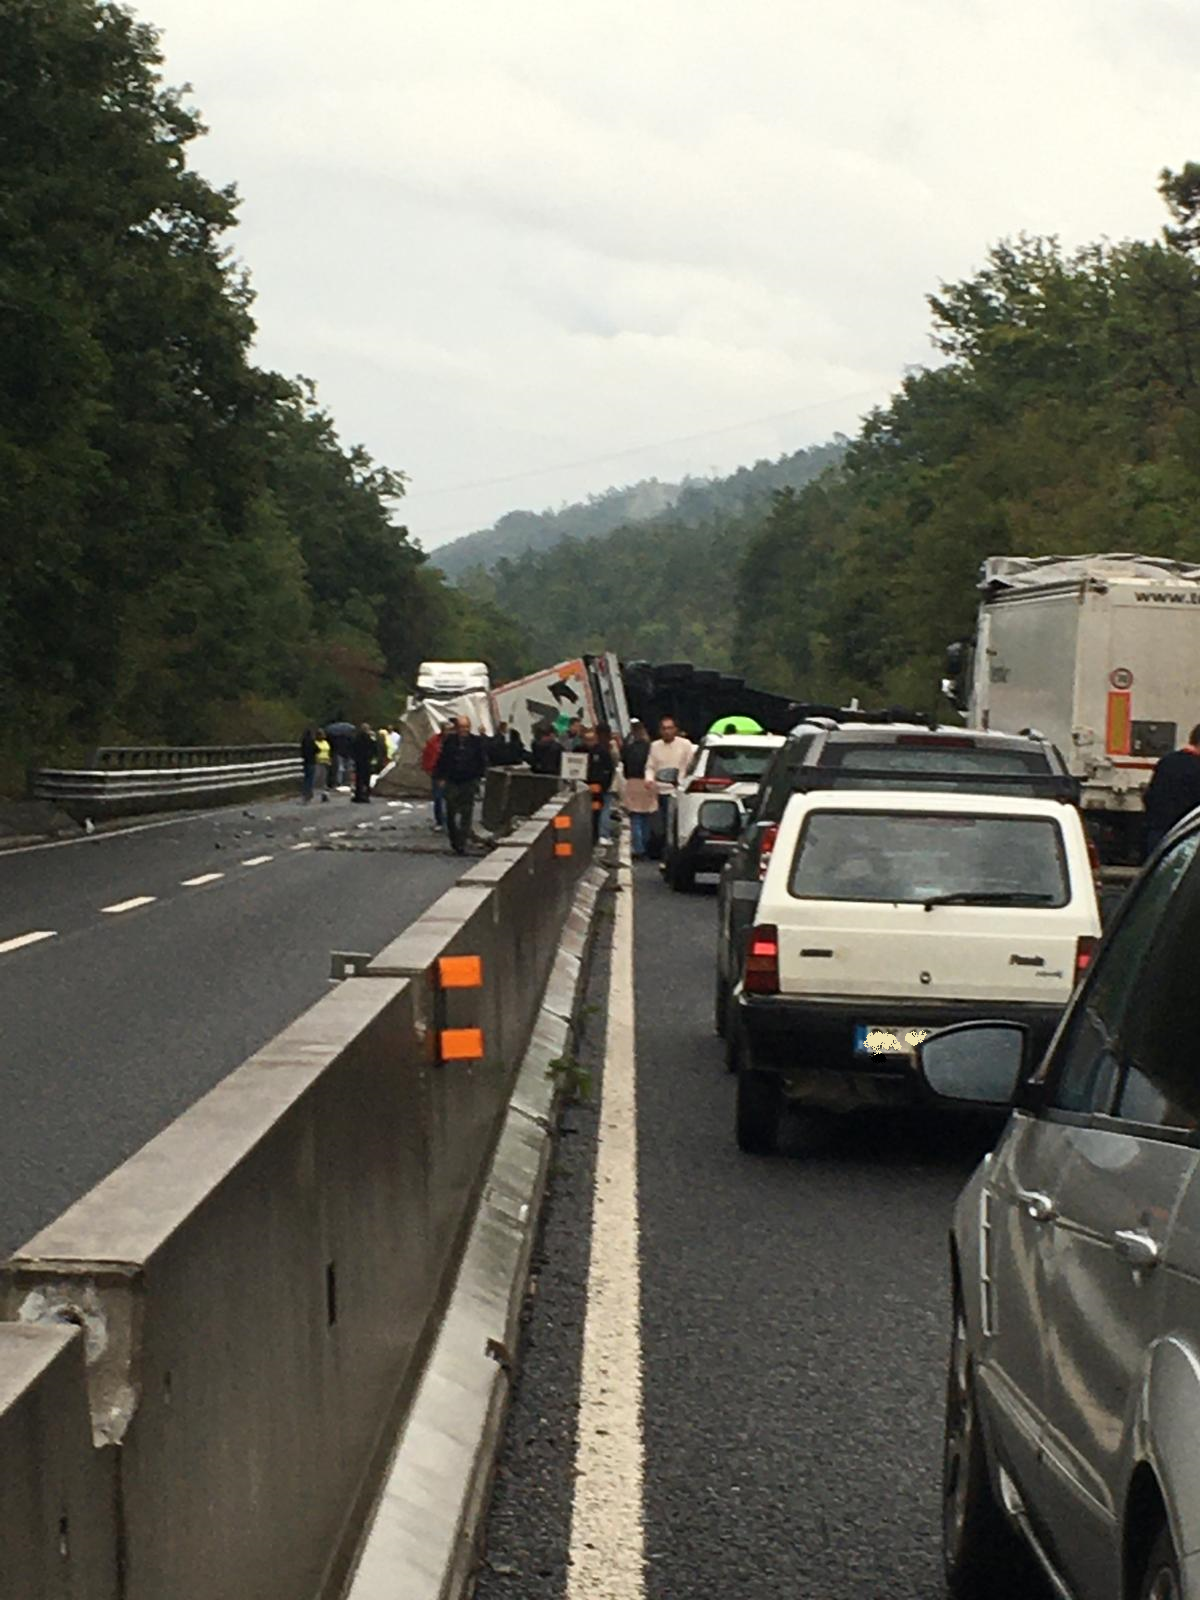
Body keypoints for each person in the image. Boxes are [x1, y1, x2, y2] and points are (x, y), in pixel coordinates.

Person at [434, 714, 488, 853]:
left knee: (466, 811)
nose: (464, 730)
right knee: (451, 810)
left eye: (466, 727)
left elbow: (481, 760)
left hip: (468, 780)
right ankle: (454, 838)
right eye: (461, 727)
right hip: (452, 779)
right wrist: (440, 777)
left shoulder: (475, 742)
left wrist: (479, 776)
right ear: (457, 728)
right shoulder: (450, 741)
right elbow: (443, 759)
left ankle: (462, 842)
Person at [1144, 723, 1200, 854]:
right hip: (1187, 836)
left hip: (1158, 831)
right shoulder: (1197, 767)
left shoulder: (1167, 760)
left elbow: (1150, 795)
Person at [647, 715, 697, 858]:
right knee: (661, 824)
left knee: (674, 824)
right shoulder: (655, 746)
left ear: (675, 729)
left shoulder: (685, 745)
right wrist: (649, 779)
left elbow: (688, 766)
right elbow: (650, 766)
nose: (667, 731)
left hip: (678, 791)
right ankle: (663, 850)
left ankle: (671, 852)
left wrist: (681, 782)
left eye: (670, 728)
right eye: (664, 729)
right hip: (660, 789)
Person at [621, 720, 656, 857]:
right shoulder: (650, 748)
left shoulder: (629, 748)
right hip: (648, 781)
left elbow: (623, 761)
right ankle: (646, 846)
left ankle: (638, 847)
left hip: (632, 781)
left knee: (635, 816)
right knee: (646, 816)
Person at [583, 726, 615, 843]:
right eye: (587, 740)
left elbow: (609, 769)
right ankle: (595, 835)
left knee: (598, 811)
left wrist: (605, 785)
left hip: (599, 787)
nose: (589, 743)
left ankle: (598, 834)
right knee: (589, 812)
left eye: (591, 740)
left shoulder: (602, 752)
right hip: (585, 786)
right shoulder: (580, 750)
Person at [421, 722, 448, 830]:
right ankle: (440, 821)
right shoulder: (433, 742)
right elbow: (427, 755)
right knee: (438, 798)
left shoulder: (454, 742)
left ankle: (449, 820)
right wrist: (428, 769)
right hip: (436, 772)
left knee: (450, 798)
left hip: (451, 773)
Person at [351, 723, 376, 804]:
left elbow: (353, 747)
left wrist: (354, 757)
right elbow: (374, 748)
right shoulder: (370, 738)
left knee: (359, 779)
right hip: (367, 760)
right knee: (366, 779)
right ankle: (365, 795)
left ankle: (358, 795)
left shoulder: (357, 738)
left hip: (359, 760)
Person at [300, 726, 318, 802]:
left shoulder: (303, 741)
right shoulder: (312, 741)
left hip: (305, 762)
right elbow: (317, 749)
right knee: (310, 778)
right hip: (312, 761)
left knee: (306, 778)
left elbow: (302, 751)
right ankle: (309, 793)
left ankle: (304, 793)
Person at [314, 728, 331, 801]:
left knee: (324, 779)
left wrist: (329, 759)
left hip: (326, 762)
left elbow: (328, 751)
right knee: (316, 777)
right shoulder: (315, 743)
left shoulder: (325, 742)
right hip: (318, 762)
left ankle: (324, 794)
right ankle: (312, 792)